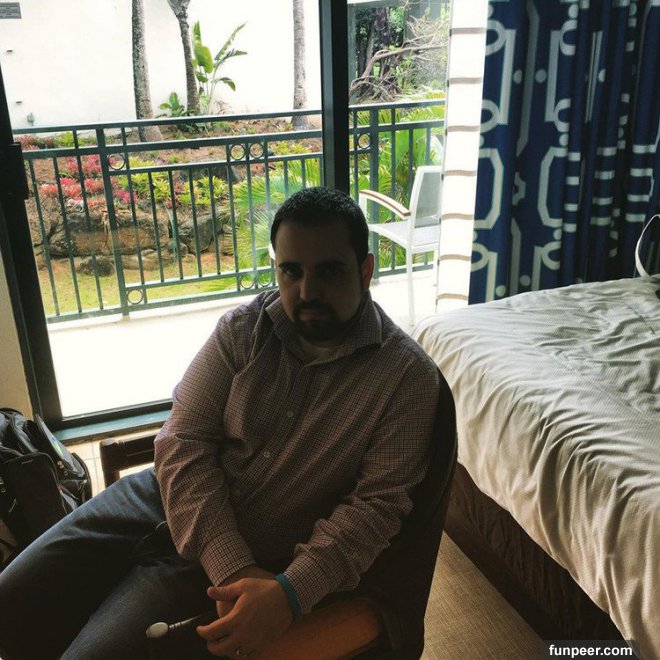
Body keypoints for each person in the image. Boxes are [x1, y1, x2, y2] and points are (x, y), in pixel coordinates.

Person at [0, 186, 440, 659]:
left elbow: (375, 509)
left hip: (249, 555)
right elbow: (181, 441)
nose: (307, 292)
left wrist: (288, 592)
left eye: (329, 271)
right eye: (291, 271)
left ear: (366, 270)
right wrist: (232, 568)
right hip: (155, 501)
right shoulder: (242, 329)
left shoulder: (406, 378)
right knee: (10, 605)